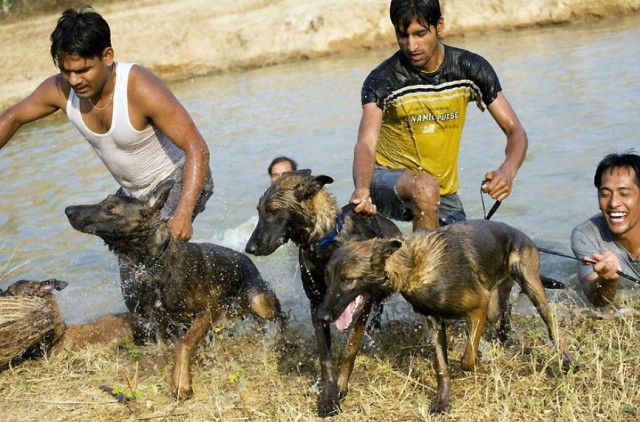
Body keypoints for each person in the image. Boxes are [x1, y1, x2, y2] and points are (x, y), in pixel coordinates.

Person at [0, 7, 212, 241]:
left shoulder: (138, 87)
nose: (74, 80)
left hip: (179, 178)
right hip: (133, 194)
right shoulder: (60, 89)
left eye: (83, 70)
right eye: (65, 71)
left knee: (154, 256)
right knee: (134, 275)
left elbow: (197, 147)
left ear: (107, 56)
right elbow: (13, 118)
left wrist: (182, 214)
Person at [350, 0, 528, 230]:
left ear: (439, 26)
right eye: (403, 36)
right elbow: (366, 142)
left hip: (442, 193)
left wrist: (507, 172)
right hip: (383, 181)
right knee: (425, 187)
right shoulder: (383, 79)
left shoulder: (470, 68)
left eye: (420, 34)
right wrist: (362, 188)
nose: (412, 45)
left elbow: (516, 132)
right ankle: (423, 263)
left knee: (467, 251)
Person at [571, 152, 640, 306]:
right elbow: (594, 299)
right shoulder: (585, 235)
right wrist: (607, 280)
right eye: (605, 194)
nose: (614, 203)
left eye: (624, 193)